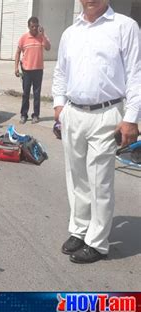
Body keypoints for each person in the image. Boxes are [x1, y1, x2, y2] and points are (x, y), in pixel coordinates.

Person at [52, 0, 140, 264]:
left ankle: (98, 242)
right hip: (74, 113)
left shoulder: (125, 27)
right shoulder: (71, 33)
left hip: (107, 114)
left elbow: (136, 74)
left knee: (99, 180)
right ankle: (79, 230)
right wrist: (59, 106)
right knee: (76, 177)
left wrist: (131, 118)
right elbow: (60, 72)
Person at [15, 17, 51, 124]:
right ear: (29, 27)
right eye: (32, 26)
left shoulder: (41, 37)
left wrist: (43, 35)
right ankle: (23, 115)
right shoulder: (23, 38)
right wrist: (16, 67)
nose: (34, 28)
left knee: (36, 94)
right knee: (26, 94)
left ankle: (36, 115)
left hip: (38, 70)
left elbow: (48, 48)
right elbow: (17, 53)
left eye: (36, 26)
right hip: (26, 71)